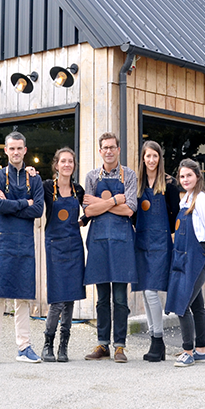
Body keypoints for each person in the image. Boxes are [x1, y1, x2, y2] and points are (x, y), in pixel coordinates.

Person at [0, 131, 45, 365]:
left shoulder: (35, 180)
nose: (16, 152)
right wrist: (24, 203)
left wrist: (13, 204)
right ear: (6, 150)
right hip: (4, 243)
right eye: (12, 148)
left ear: (25, 150)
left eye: (20, 148)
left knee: (23, 299)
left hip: (25, 245)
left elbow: (38, 210)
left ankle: (24, 347)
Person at [82, 132, 137, 363]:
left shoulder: (130, 175)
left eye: (112, 147)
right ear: (100, 150)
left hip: (123, 243)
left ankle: (120, 346)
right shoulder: (92, 176)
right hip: (99, 243)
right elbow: (87, 211)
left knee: (121, 300)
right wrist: (115, 200)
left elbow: (130, 209)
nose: (109, 151)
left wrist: (99, 203)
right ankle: (102, 344)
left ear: (118, 149)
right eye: (105, 147)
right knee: (102, 299)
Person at [165, 158, 205, 367]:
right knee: (197, 304)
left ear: (197, 177)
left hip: (198, 256)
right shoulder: (184, 199)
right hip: (182, 256)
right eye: (182, 176)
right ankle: (201, 350)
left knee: (182, 302)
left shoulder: (201, 200)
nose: (185, 179)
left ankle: (188, 351)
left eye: (189, 175)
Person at [132, 140, 180, 362]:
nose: (151, 160)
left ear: (160, 159)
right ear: (142, 158)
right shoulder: (136, 183)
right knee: (144, 290)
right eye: (148, 156)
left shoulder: (169, 184)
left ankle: (158, 339)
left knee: (152, 291)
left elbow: (176, 216)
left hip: (160, 243)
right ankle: (155, 340)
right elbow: (132, 213)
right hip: (141, 241)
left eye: (155, 156)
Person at [39, 147, 86, 362]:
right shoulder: (48, 187)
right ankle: (48, 343)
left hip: (75, 246)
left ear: (74, 166)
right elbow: (32, 193)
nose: (67, 165)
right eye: (63, 161)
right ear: (56, 165)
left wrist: (83, 221)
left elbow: (91, 209)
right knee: (58, 299)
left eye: (70, 162)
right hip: (55, 246)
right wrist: (29, 173)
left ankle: (63, 346)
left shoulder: (79, 190)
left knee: (70, 300)